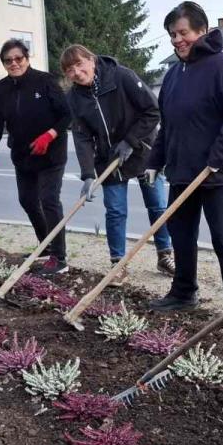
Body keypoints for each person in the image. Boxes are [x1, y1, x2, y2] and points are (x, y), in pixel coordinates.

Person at [145, 1, 223, 324]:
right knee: (180, 235)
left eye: (183, 32)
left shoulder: (222, 67)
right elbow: (168, 126)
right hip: (181, 171)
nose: (177, 40)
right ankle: (184, 292)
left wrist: (217, 156)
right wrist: (155, 161)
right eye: (172, 35)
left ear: (202, 31)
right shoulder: (172, 76)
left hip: (215, 172)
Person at [61, 44, 176, 285]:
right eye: (70, 70)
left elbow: (152, 111)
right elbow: (81, 137)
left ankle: (165, 255)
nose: (77, 72)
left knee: (157, 205)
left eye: (79, 64)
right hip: (109, 160)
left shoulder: (121, 76)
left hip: (146, 154)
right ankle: (118, 264)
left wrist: (130, 141)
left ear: (91, 60)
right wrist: (87, 174)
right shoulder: (74, 98)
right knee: (115, 211)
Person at [0, 38, 72, 275]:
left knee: (49, 200)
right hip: (23, 155)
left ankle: (59, 259)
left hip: (51, 154)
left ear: (27, 58)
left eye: (18, 58)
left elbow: (67, 115)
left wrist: (49, 136)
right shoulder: (0, 90)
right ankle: (46, 245)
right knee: (28, 200)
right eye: (8, 60)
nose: (14, 63)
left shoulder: (45, 81)